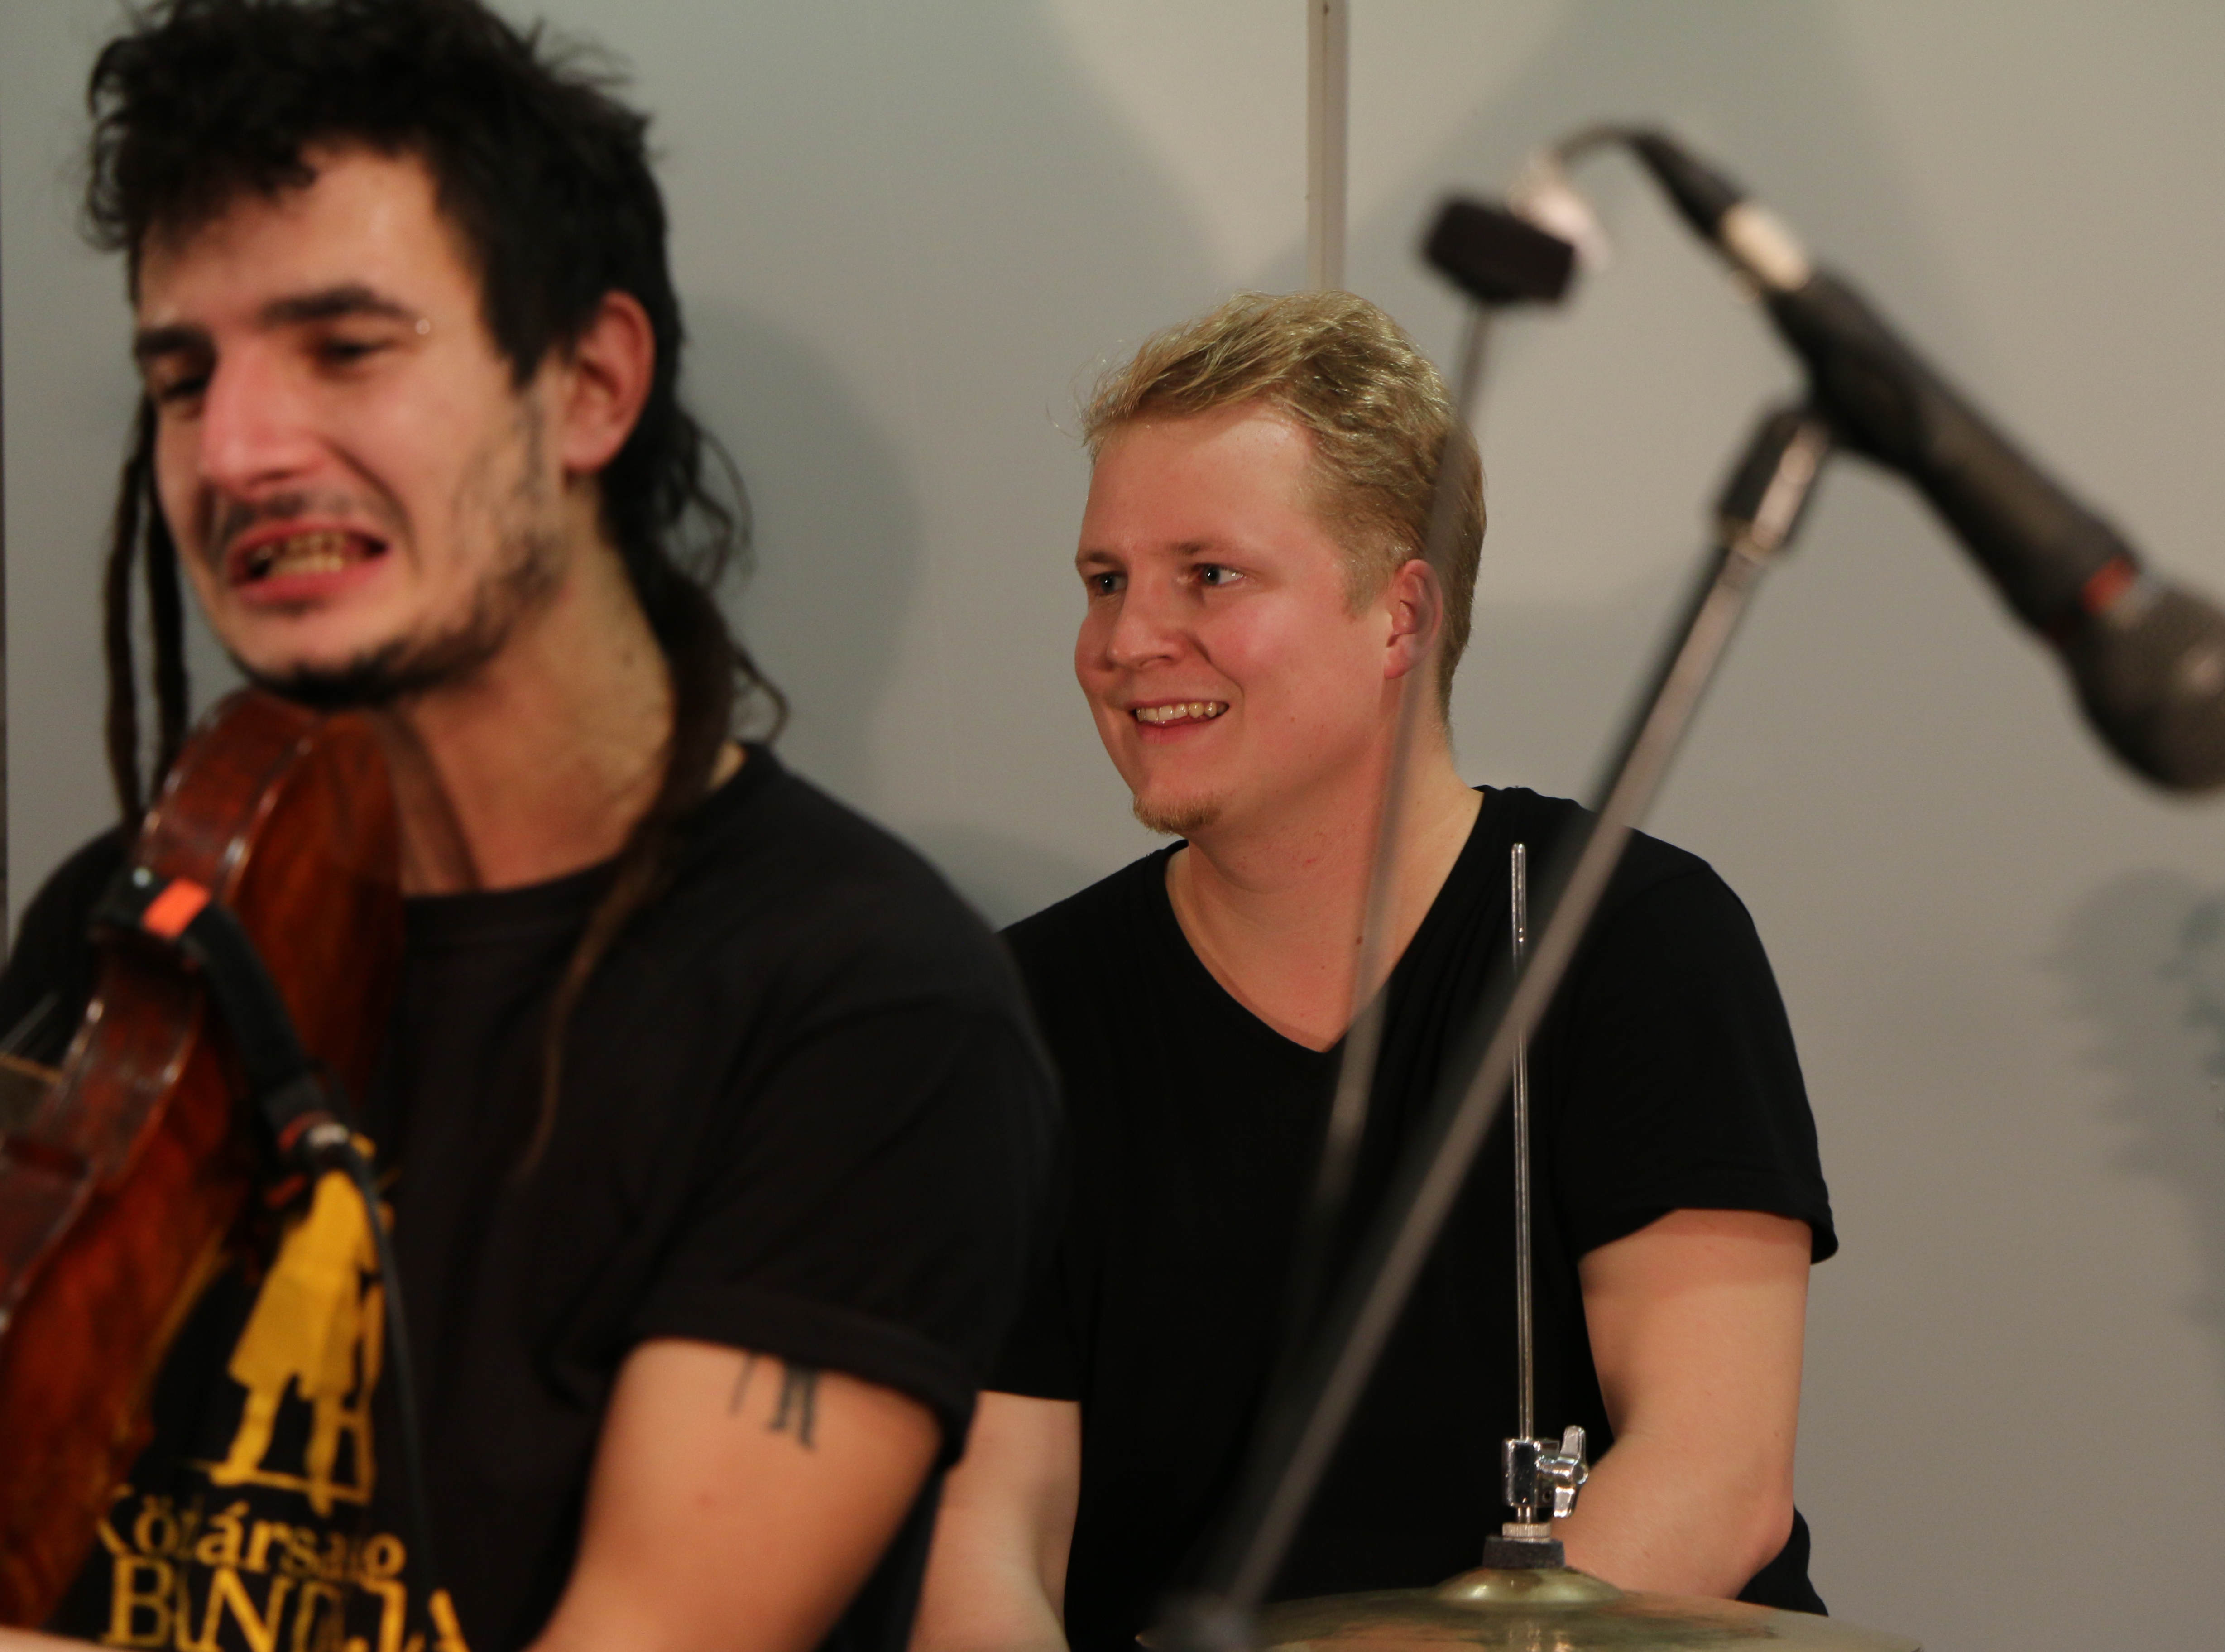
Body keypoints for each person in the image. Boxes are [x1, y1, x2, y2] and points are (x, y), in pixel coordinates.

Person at [0, 4, 1055, 1651]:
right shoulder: (133, 917)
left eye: (346, 348)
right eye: (184, 378)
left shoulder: (865, 1005)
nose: (237, 450)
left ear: (589, 385)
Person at [911, 291, 1837, 1652]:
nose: (1125, 643)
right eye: (1106, 580)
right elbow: (989, 1531)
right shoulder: (1021, 1017)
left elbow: (1713, 1479)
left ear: (1401, 614)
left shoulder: (1632, 937)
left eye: (1207, 576)